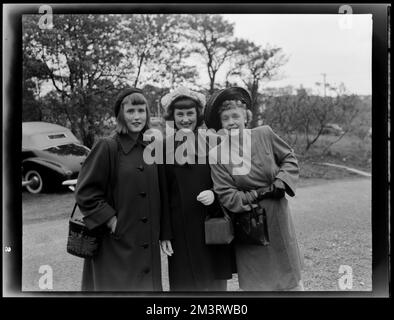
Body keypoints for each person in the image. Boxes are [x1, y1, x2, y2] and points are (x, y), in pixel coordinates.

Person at [205, 87, 304, 291]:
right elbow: (227, 196)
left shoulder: (265, 134)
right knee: (258, 285)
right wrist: (259, 193)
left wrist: (282, 181)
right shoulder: (217, 154)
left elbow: (289, 158)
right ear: (220, 124)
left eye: (235, 116)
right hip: (249, 224)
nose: (231, 122)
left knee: (291, 282)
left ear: (246, 117)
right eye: (226, 119)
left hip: (278, 216)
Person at [75, 87, 168, 291]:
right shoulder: (107, 146)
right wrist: (111, 220)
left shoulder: (152, 147)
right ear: (120, 115)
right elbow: (85, 192)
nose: (137, 117)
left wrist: (164, 232)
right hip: (115, 246)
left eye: (141, 111)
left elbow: (162, 192)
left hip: (147, 246)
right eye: (131, 111)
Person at [159, 86, 235, 291]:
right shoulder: (162, 147)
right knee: (184, 283)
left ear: (198, 115)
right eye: (180, 114)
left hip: (211, 222)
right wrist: (164, 233)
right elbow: (161, 193)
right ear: (172, 116)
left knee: (214, 283)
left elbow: (229, 180)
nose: (185, 119)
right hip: (180, 228)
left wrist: (215, 194)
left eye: (190, 113)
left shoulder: (214, 142)